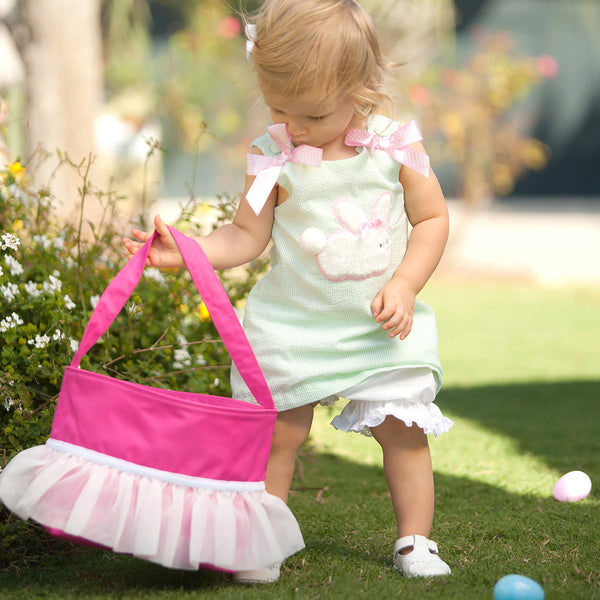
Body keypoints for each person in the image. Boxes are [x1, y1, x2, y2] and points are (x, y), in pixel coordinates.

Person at [123, 0, 453, 584]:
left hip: (380, 327)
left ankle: (414, 542)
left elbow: (431, 220)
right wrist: (188, 251)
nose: (294, 125)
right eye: (279, 108)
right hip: (294, 326)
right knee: (277, 436)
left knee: (403, 433)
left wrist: (404, 285)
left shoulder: (397, 146)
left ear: (361, 87)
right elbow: (245, 234)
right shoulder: (271, 156)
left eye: (313, 115)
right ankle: (261, 541)